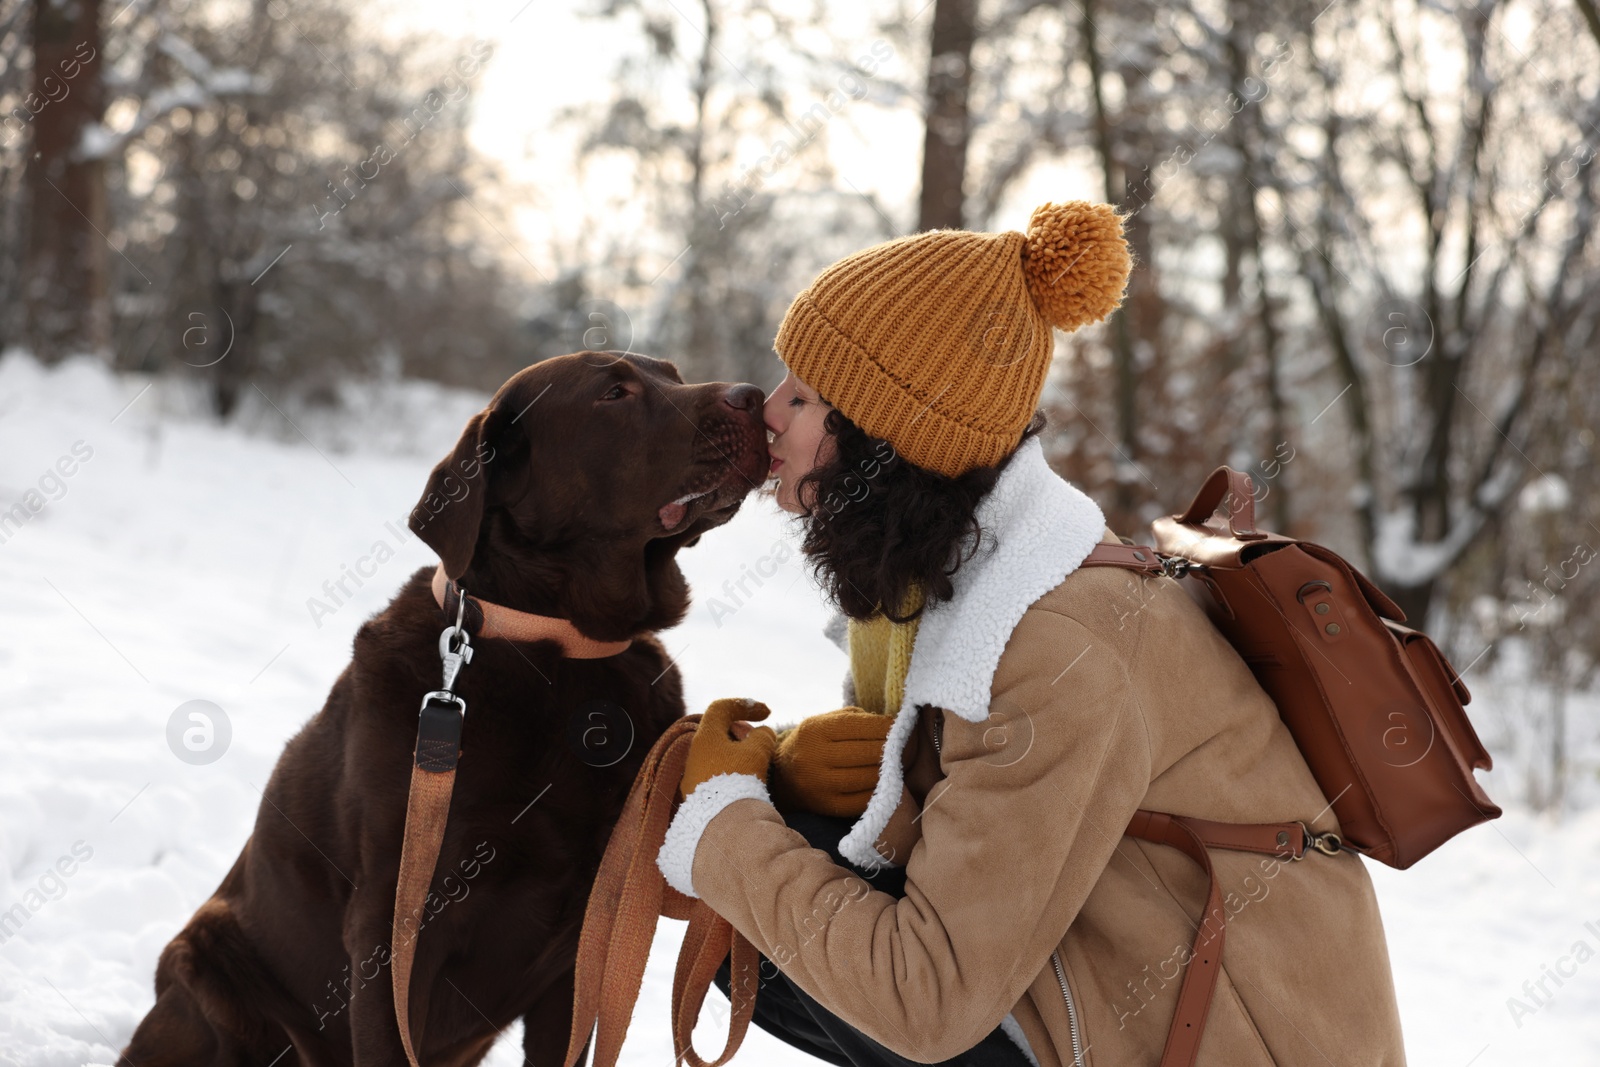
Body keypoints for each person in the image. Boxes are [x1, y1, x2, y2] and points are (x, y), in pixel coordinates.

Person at [656, 202, 1407, 1066]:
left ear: (884, 439)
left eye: (806, 396)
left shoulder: (1057, 646)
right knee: (769, 905)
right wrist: (784, 768)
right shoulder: (964, 580)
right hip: (1115, 981)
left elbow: (925, 999)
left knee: (764, 883)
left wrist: (722, 822)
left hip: (1240, 1039)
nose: (771, 414)